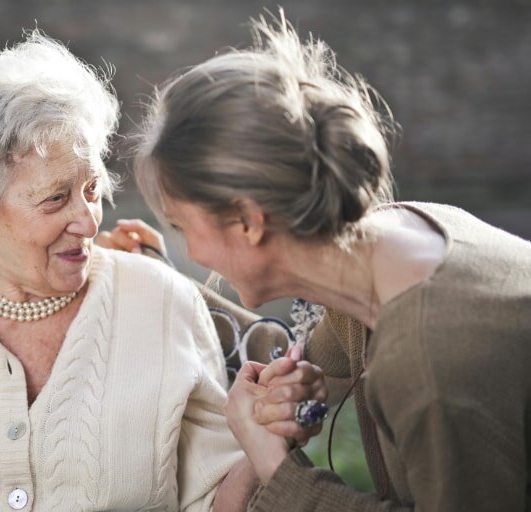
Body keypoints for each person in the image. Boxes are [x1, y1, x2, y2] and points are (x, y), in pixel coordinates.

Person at [0, 32, 324, 512]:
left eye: (91, 189)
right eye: (55, 198)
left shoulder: (162, 300)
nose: (87, 221)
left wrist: (264, 438)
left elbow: (214, 501)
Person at [113, 12, 531, 511]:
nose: (193, 253)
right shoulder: (393, 242)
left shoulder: (429, 364)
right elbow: (307, 368)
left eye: (182, 227)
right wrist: (157, 279)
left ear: (248, 221)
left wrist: (277, 469)